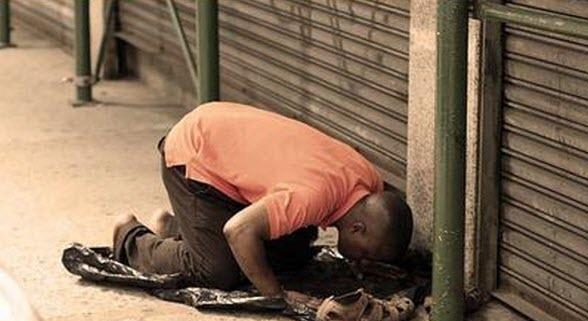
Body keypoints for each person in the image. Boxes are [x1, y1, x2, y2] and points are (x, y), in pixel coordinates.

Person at [113, 102, 413, 303]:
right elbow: (238, 231)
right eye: (366, 254)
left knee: (295, 250)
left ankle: (178, 226)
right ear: (357, 228)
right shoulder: (312, 196)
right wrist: (276, 297)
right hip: (193, 154)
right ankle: (132, 237)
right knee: (216, 271)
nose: (361, 262)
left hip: (223, 145)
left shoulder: (370, 181)